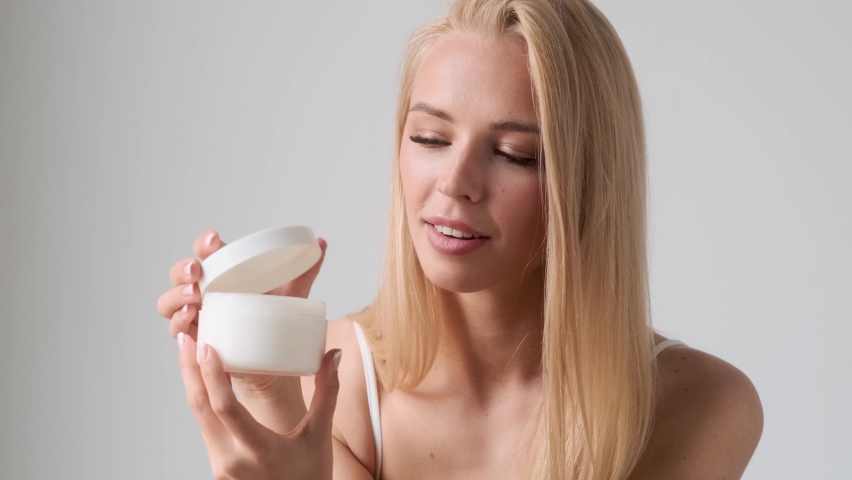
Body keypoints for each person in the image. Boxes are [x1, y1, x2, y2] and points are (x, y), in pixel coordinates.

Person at [156, 0, 764, 478]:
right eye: (429, 138)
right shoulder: (331, 386)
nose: (455, 182)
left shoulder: (699, 404)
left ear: (589, 187)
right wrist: (269, 396)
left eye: (514, 154)